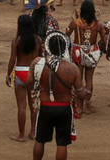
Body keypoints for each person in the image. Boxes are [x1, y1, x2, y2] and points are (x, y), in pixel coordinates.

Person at [27, 32, 83, 160]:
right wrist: (83, 94)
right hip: (64, 108)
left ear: (47, 47)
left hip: (45, 107)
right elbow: (80, 92)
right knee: (62, 143)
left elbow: (28, 84)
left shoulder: (39, 63)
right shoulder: (72, 68)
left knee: (40, 140)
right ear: (64, 48)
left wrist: (32, 69)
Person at [7, 15, 43, 142]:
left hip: (20, 73)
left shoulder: (17, 41)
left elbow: (12, 60)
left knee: (21, 107)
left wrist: (8, 74)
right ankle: (33, 132)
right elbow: (41, 57)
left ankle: (21, 135)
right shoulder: (38, 40)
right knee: (34, 105)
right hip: (33, 72)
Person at [66, 0, 106, 114]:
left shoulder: (76, 22)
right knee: (89, 79)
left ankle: (79, 105)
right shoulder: (98, 25)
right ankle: (87, 104)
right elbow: (104, 41)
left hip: (78, 51)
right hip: (92, 51)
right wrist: (100, 50)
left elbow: (67, 35)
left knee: (78, 79)